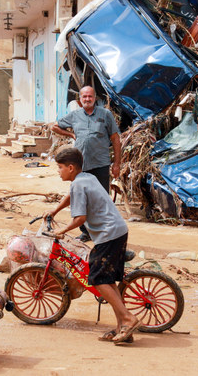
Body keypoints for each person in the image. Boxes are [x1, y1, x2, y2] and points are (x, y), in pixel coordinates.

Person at [45, 147, 140, 344]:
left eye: (60, 167)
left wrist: (61, 231)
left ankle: (129, 319)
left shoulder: (78, 185)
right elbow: (71, 197)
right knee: (107, 280)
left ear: (71, 168)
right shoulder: (86, 178)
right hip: (117, 230)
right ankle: (120, 327)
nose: (58, 171)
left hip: (108, 234)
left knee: (96, 279)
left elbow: (80, 218)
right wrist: (54, 211)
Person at [51, 86, 121, 242]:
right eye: (84, 97)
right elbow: (54, 126)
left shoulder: (105, 114)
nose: (87, 99)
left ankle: (104, 230)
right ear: (80, 100)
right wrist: (70, 134)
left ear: (95, 98)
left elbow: (116, 139)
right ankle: (85, 231)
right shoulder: (74, 116)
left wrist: (117, 164)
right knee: (80, 199)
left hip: (100, 163)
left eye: (90, 96)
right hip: (80, 166)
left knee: (101, 199)